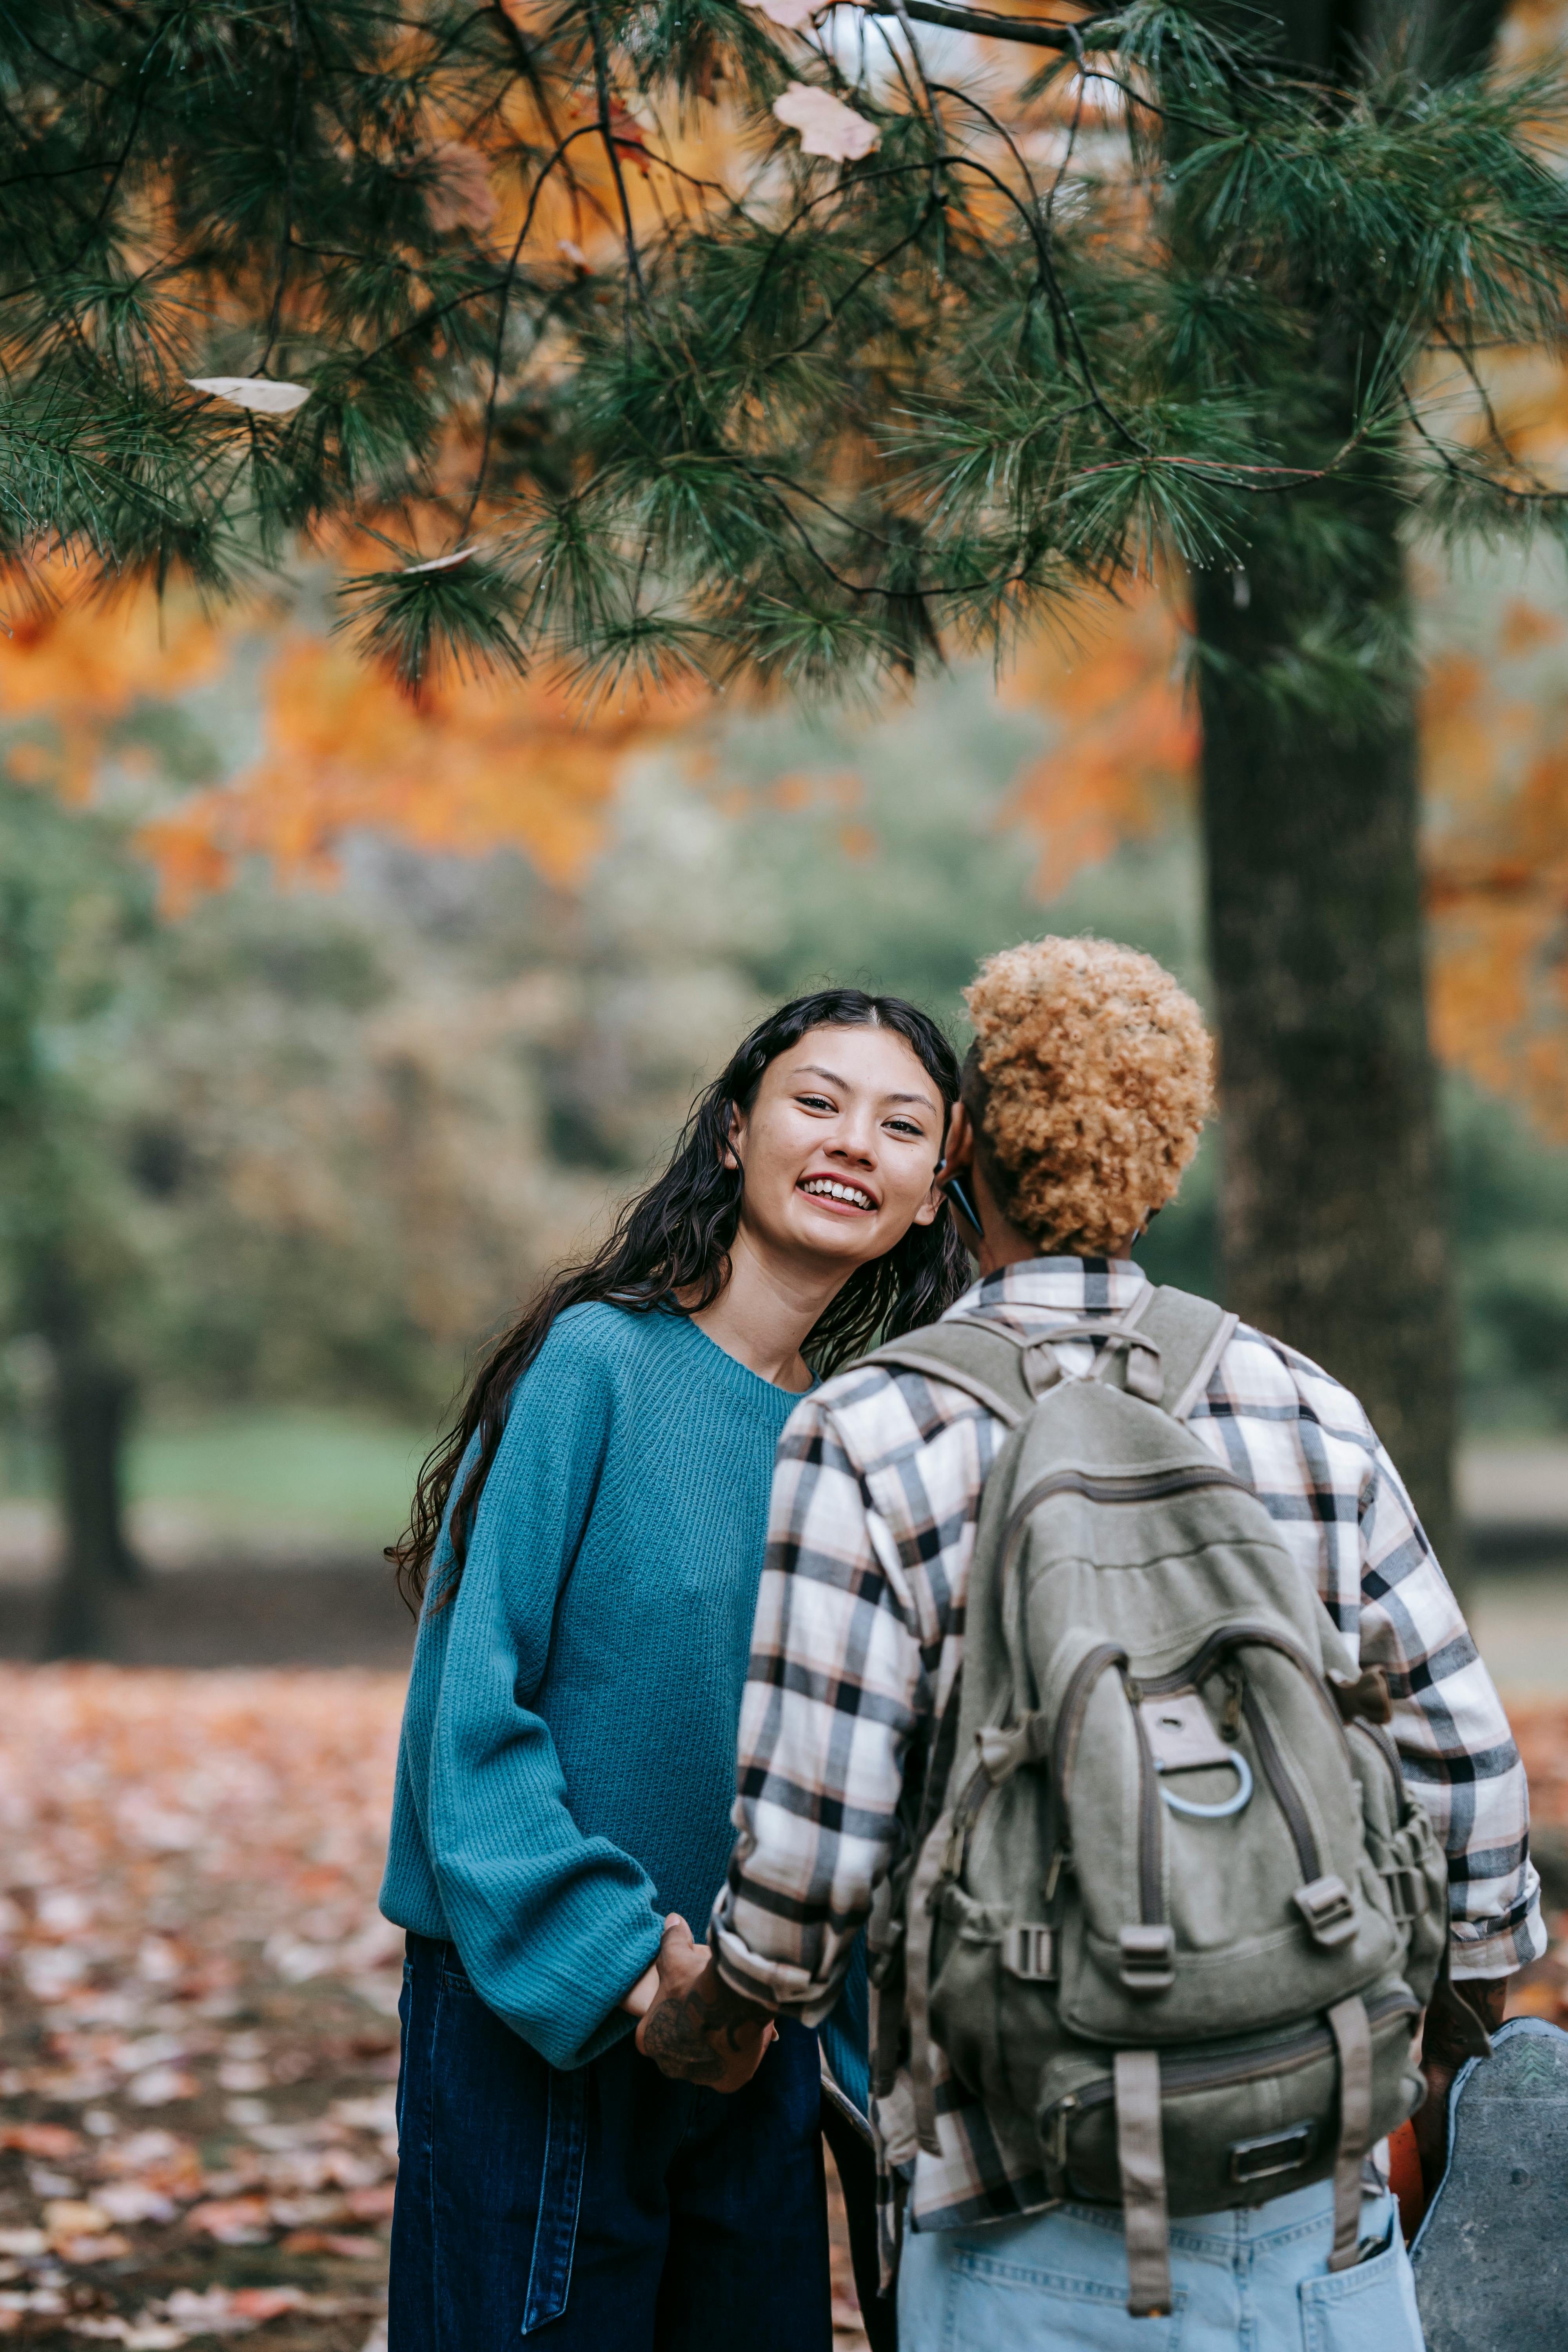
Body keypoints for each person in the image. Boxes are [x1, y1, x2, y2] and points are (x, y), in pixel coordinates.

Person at [635, 936, 1544, 2350]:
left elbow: (807, 1873)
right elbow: (1475, 1795)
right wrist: (1384, 2047)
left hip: (1026, 2218)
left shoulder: (873, 1430)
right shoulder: (1304, 1405)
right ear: (1169, 1164)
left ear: (963, 1154)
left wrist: (721, 2013)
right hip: (1322, 2225)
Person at [378, 987, 968, 2352]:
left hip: (761, 2045)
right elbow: (466, 1718)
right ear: (730, 1134)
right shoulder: (599, 1364)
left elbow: (867, 1777)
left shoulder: (865, 1443)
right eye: (816, 1103)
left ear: (936, 1193)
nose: (852, 1145)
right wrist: (639, 1976)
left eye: (900, 1128)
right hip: (550, 2020)